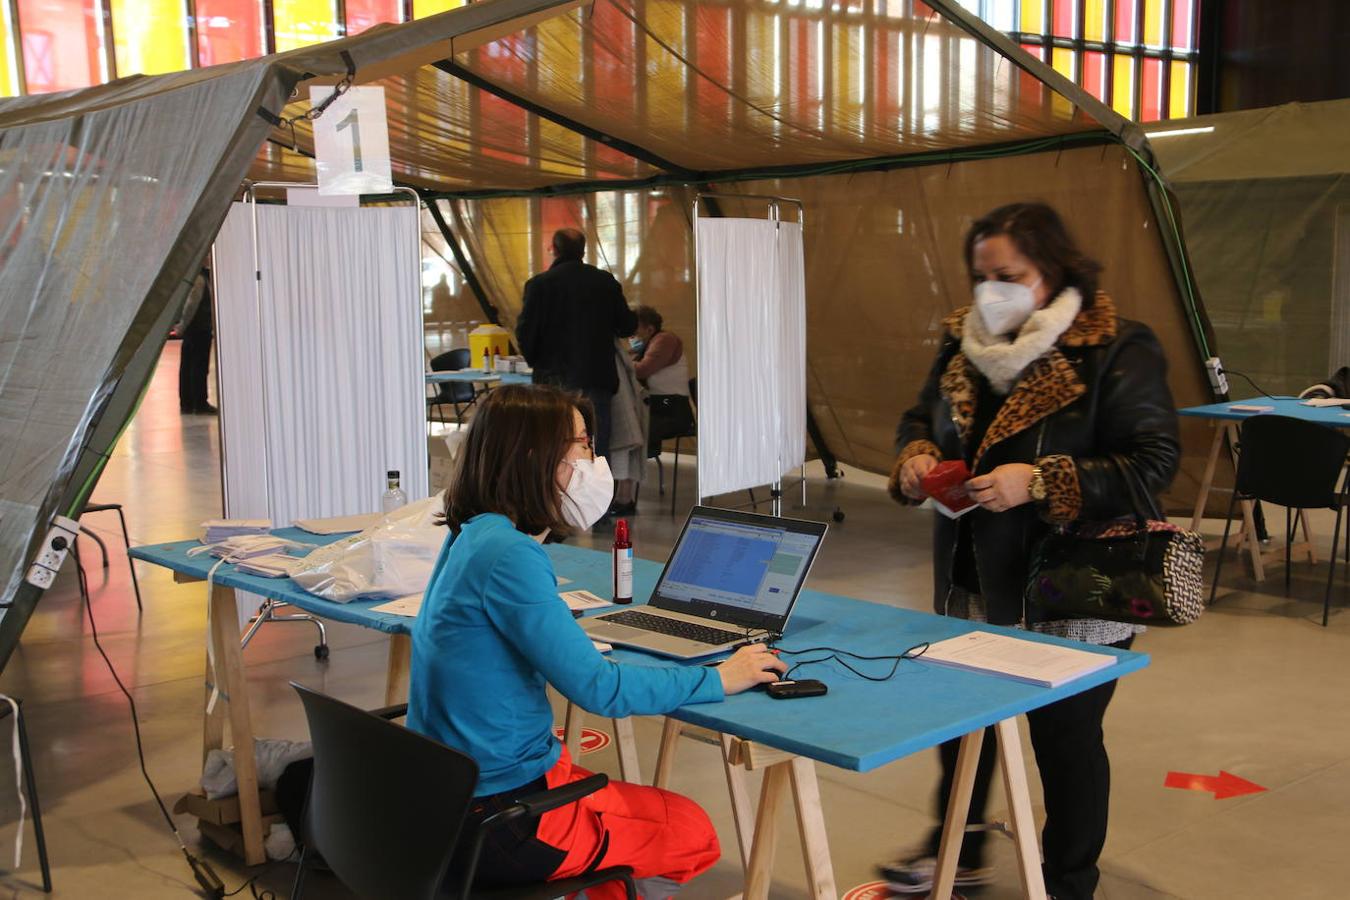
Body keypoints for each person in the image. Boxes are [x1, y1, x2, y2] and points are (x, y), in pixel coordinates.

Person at [881, 203, 1179, 899]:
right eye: (982, 275)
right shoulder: (964, 343)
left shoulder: (1117, 347)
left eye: (1008, 275)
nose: (992, 291)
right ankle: (958, 850)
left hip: (1069, 585)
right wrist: (917, 457)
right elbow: (916, 419)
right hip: (973, 575)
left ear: (1051, 270)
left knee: (1065, 742)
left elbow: (1155, 463)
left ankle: (1069, 881)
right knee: (962, 727)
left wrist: (1042, 481)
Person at [407, 384, 786, 897]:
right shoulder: (509, 555)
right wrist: (720, 676)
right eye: (583, 444)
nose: (594, 460)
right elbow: (600, 689)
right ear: (536, 456)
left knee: (617, 809)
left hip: (448, 794)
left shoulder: (474, 531)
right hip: (500, 817)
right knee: (691, 831)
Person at [516, 228, 638, 458]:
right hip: (596, 377)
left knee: (553, 443)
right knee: (594, 444)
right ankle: (598, 493)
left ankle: (555, 492)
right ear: (583, 250)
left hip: (552, 379)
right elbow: (627, 326)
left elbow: (526, 334)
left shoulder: (539, 285)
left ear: (554, 249)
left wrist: (537, 362)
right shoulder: (604, 281)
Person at [631, 305, 694, 462]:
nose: (631, 336)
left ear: (649, 329)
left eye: (635, 330)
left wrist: (621, 361)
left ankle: (627, 477)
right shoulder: (647, 345)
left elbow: (642, 370)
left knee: (628, 429)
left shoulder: (665, 340)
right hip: (659, 407)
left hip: (672, 411)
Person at [178, 266, 216, 415]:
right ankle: (199, 403)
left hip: (194, 329)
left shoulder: (196, 276)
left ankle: (187, 403)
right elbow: (191, 305)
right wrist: (183, 324)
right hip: (198, 329)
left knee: (187, 366)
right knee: (198, 368)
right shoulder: (200, 279)